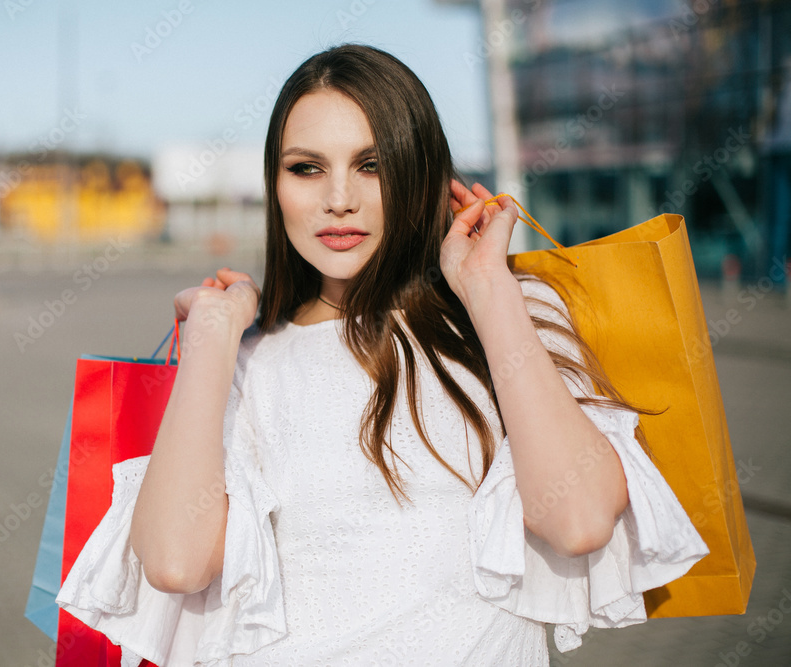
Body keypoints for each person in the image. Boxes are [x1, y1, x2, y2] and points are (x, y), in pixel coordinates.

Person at [57, 44, 708, 665]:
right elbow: (174, 561)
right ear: (275, 184)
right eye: (305, 167)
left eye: (372, 165)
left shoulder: (513, 314)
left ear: (421, 174)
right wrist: (212, 340)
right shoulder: (252, 361)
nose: (338, 197)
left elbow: (581, 518)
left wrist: (487, 287)